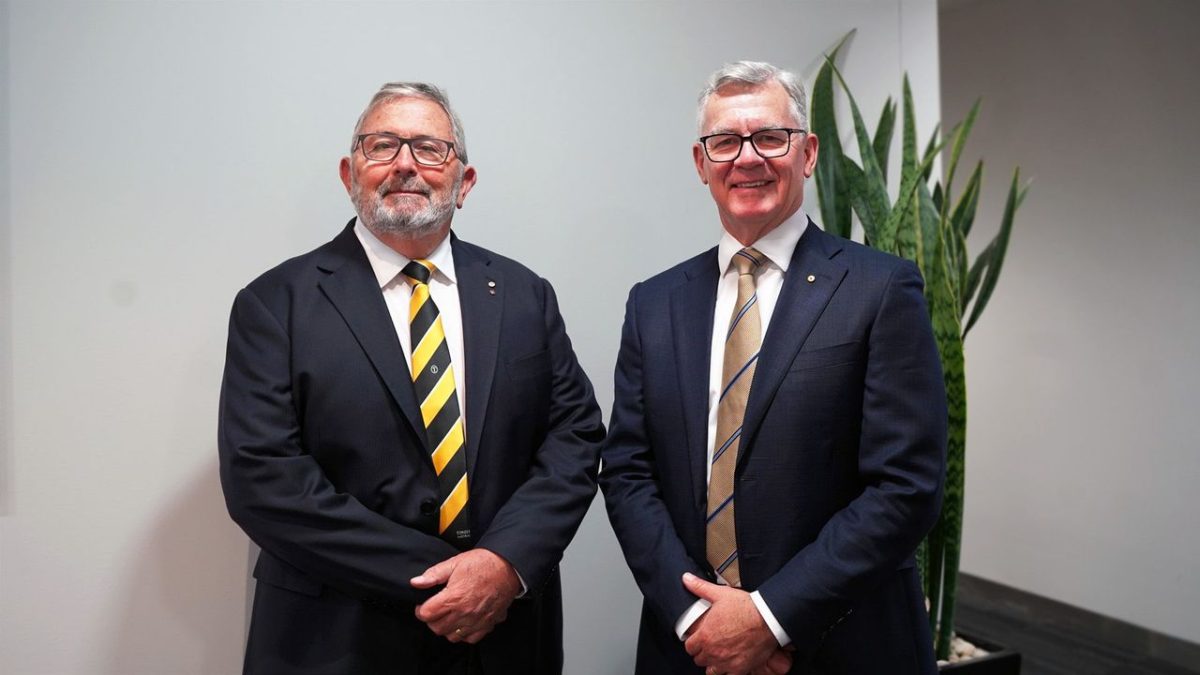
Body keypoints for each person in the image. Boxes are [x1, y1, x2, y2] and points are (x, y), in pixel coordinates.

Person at [218, 81, 604, 674]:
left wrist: (503, 563)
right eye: (382, 147)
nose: (405, 164)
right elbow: (264, 479)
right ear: (351, 173)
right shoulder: (275, 304)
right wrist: (446, 577)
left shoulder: (526, 295)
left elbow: (574, 439)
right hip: (334, 639)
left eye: (429, 148)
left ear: (464, 181)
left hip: (503, 639)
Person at [600, 61, 947, 674]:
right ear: (701, 163)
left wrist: (769, 617)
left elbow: (906, 485)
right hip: (688, 647)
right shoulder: (653, 303)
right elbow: (628, 471)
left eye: (769, 137)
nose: (747, 158)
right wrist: (696, 615)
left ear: (807, 153)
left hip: (839, 645)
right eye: (725, 142)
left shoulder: (881, 288)